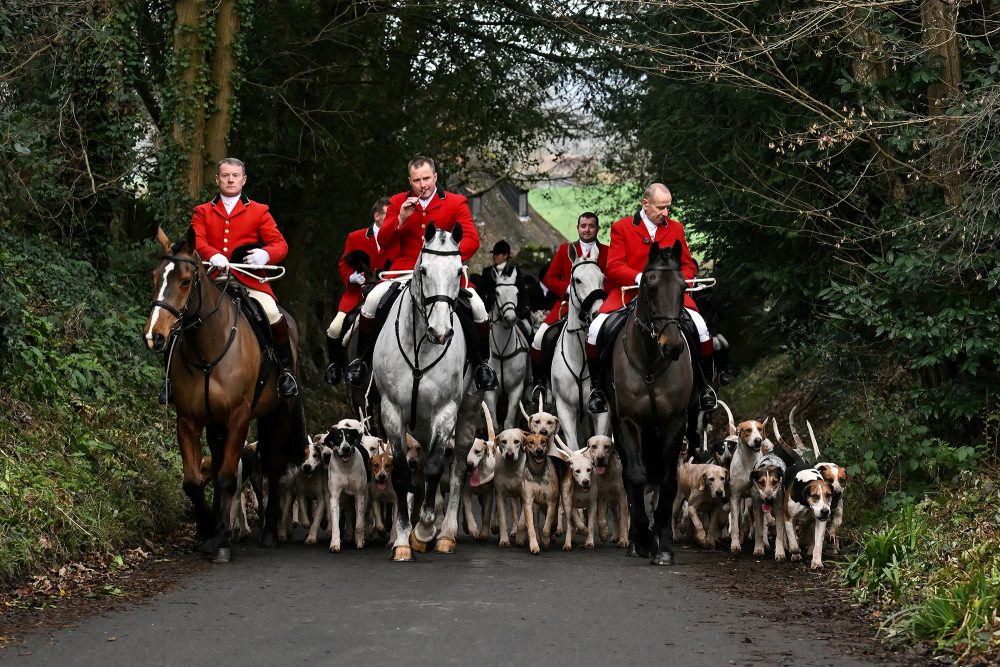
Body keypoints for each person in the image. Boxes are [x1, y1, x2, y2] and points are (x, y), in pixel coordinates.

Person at [343, 156, 499, 391]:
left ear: (435, 177)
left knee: (476, 306)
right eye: (416, 180)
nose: (422, 185)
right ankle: (362, 361)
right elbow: (382, 242)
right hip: (404, 271)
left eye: (426, 178)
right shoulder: (397, 202)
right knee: (373, 301)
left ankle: (481, 365)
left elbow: (472, 240)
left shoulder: (455, 202)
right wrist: (401, 219)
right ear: (410, 181)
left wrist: (445, 258)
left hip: (443, 274)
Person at [584, 183, 717, 414]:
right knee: (595, 330)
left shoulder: (676, 228)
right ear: (645, 204)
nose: (666, 213)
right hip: (629, 293)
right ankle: (598, 390)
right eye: (661, 207)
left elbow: (687, 264)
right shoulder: (621, 228)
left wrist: (674, 281)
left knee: (701, 327)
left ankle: (705, 387)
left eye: (668, 208)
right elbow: (613, 266)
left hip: (669, 297)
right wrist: (640, 278)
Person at [188, 157, 299, 398]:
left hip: (249, 280)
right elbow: (196, 240)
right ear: (217, 179)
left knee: (272, 314)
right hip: (212, 279)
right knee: (181, 314)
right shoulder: (202, 211)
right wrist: (212, 254)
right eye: (225, 175)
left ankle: (286, 373)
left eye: (235, 175)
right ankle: (171, 382)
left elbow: (280, 244)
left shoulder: (259, 211)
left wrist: (265, 254)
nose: (230, 180)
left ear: (243, 179)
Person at [529, 212, 609, 399]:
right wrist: (568, 289)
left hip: (598, 306)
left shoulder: (606, 251)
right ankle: (540, 383)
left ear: (597, 229)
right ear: (578, 228)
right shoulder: (566, 249)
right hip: (567, 305)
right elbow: (549, 278)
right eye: (583, 225)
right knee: (539, 338)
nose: (587, 229)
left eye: (591, 226)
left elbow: (611, 279)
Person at [323, 196, 395, 385]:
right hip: (358, 293)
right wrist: (351, 277)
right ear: (376, 215)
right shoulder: (356, 237)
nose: (391, 220)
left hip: (390, 290)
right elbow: (343, 263)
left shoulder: (398, 236)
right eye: (387, 215)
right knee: (335, 328)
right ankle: (335, 366)